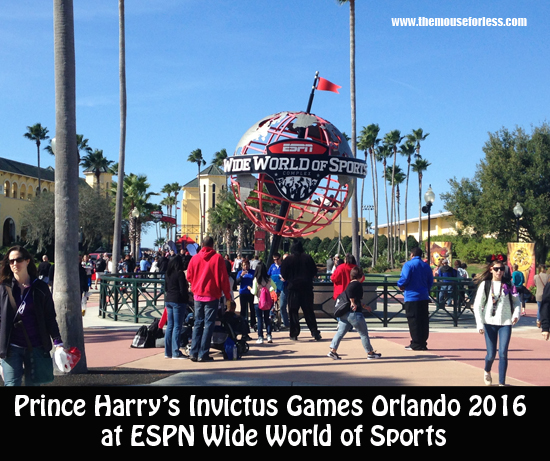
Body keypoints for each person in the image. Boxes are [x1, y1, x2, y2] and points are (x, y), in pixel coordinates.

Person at [0, 246, 64, 386]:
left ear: (28, 261)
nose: (15, 264)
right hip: (11, 347)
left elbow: (49, 316)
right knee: (11, 384)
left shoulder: (40, 287)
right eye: (11, 261)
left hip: (36, 346)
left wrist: (58, 342)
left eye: (19, 260)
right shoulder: (4, 288)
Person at [473, 259, 521, 386]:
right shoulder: (485, 285)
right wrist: (479, 324)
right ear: (491, 270)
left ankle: (501, 383)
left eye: (501, 269)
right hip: (489, 322)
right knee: (491, 354)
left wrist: (516, 315)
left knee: (503, 352)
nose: (499, 271)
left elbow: (516, 302)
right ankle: (487, 370)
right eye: (496, 269)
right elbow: (478, 305)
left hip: (505, 322)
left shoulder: (509, 284)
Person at [186, 236, 232, 362]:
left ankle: (193, 352)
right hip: (211, 295)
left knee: (198, 323)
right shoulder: (217, 258)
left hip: (197, 295)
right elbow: (224, 279)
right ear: (213, 245)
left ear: (202, 244)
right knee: (209, 324)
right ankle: (203, 353)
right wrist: (228, 297)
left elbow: (189, 276)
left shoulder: (195, 258)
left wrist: (196, 283)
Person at [327, 266, 382, 360]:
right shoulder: (356, 284)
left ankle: (333, 350)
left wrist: (364, 306)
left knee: (340, 332)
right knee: (363, 333)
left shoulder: (350, 283)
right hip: (354, 314)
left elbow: (354, 296)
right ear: (360, 276)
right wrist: (352, 302)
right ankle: (370, 352)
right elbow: (350, 293)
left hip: (345, 313)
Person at [280, 240, 321, 341]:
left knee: (293, 311)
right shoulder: (308, 258)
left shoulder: (288, 260)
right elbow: (314, 271)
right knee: (309, 311)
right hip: (306, 288)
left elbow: (284, 274)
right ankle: (314, 331)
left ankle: (294, 333)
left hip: (293, 288)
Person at [397, 247, 434, 351]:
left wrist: (400, 284)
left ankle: (416, 343)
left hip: (411, 296)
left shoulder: (408, 265)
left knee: (413, 320)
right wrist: (426, 289)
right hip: (423, 296)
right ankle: (423, 343)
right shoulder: (426, 266)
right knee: (423, 320)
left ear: (412, 254)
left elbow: (404, 278)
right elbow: (430, 281)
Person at [164, 255, 190, 360]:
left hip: (168, 299)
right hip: (178, 301)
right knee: (177, 326)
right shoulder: (179, 274)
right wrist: (187, 299)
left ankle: (168, 351)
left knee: (170, 325)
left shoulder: (167, 274)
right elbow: (183, 290)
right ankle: (176, 352)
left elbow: (165, 287)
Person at [250, 262, 276, 344]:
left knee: (259, 319)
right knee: (267, 318)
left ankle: (260, 337)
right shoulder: (268, 279)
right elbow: (274, 287)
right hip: (267, 302)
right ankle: (269, 335)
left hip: (258, 301)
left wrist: (250, 289)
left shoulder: (256, 280)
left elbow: (254, 292)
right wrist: (269, 290)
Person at [236, 259, 255, 329]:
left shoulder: (252, 272)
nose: (245, 266)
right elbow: (237, 282)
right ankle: (243, 324)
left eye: (247, 265)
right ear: (242, 266)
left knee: (252, 308)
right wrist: (241, 276)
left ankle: (253, 323)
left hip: (251, 292)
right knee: (243, 309)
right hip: (243, 292)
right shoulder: (240, 272)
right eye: (244, 265)